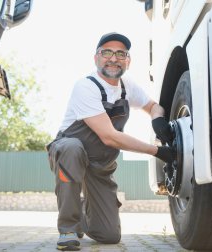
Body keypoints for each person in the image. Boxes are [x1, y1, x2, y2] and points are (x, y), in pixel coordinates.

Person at [47, 32, 174, 251]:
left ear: (128, 60)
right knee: (72, 148)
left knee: (109, 236)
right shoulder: (86, 86)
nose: (113, 58)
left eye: (120, 53)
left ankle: (82, 212)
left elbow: (153, 106)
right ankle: (68, 228)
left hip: (100, 165)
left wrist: (158, 120)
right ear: (96, 58)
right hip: (69, 155)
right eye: (106, 52)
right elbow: (109, 136)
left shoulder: (127, 86)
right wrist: (157, 151)